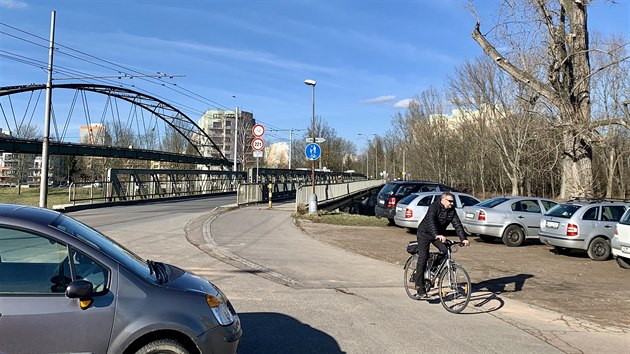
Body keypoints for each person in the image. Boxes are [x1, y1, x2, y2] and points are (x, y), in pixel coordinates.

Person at [414, 191, 469, 298]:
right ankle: (419, 286)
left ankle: (433, 269)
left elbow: (457, 224)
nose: (452, 203)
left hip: (438, 235)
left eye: (453, 201)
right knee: (423, 257)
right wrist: (437, 234)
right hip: (424, 233)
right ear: (442, 200)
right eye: (450, 201)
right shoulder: (434, 207)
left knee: (446, 251)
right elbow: (431, 221)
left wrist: (463, 239)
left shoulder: (451, 211)